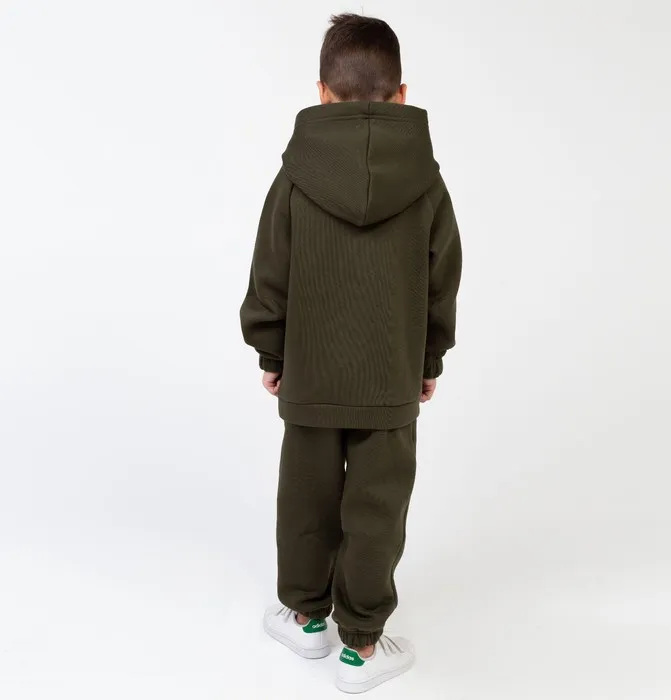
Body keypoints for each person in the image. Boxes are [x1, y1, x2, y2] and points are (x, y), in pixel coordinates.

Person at [240, 13, 462, 694]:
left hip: (310, 370)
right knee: (377, 506)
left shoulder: (295, 177)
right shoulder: (426, 182)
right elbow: (441, 281)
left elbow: (270, 273)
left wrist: (271, 352)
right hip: (389, 375)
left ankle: (306, 619)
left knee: (305, 497)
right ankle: (361, 646)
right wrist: (428, 360)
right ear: (401, 94)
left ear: (321, 92)